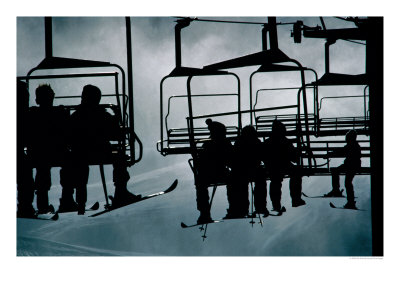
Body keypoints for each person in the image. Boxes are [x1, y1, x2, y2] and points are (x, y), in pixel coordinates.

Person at [69, 84, 139, 214]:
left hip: (81, 153)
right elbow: (117, 135)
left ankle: (78, 201)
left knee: (78, 167)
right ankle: (120, 192)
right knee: (119, 156)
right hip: (102, 152)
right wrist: (117, 118)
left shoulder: (75, 116)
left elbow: (68, 137)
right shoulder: (102, 115)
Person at [28, 84, 76, 214]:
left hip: (39, 153)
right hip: (57, 152)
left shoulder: (32, 114)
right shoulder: (60, 112)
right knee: (68, 165)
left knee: (42, 171)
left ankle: (43, 205)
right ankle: (67, 200)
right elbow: (70, 133)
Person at [195, 118, 233, 224]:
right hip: (219, 172)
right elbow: (231, 160)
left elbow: (199, 162)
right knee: (233, 180)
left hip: (209, 174)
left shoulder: (207, 144)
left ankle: (204, 212)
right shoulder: (224, 143)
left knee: (201, 185)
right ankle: (234, 206)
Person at [262, 120, 305, 212]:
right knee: (295, 173)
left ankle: (276, 204)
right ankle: (295, 199)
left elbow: (263, 156)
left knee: (275, 181)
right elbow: (294, 158)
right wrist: (297, 153)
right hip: (282, 165)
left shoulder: (268, 142)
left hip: (273, 166)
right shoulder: (285, 141)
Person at [229, 125, 268, 218]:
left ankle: (243, 208)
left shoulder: (239, 142)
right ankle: (260, 206)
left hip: (242, 170)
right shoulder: (256, 142)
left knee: (243, 186)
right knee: (259, 183)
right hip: (250, 169)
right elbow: (262, 155)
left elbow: (233, 157)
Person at [324, 130, 361, 209]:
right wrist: (331, 153)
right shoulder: (353, 145)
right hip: (350, 165)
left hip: (351, 165)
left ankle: (348, 200)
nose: (346, 138)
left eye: (347, 137)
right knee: (337, 173)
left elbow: (341, 151)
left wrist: (329, 154)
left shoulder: (352, 145)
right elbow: (341, 151)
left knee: (347, 182)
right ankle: (337, 191)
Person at [17, 80, 35, 218]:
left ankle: (25, 206)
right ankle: (25, 206)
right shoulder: (27, 115)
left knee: (25, 175)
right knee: (25, 176)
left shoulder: (26, 115)